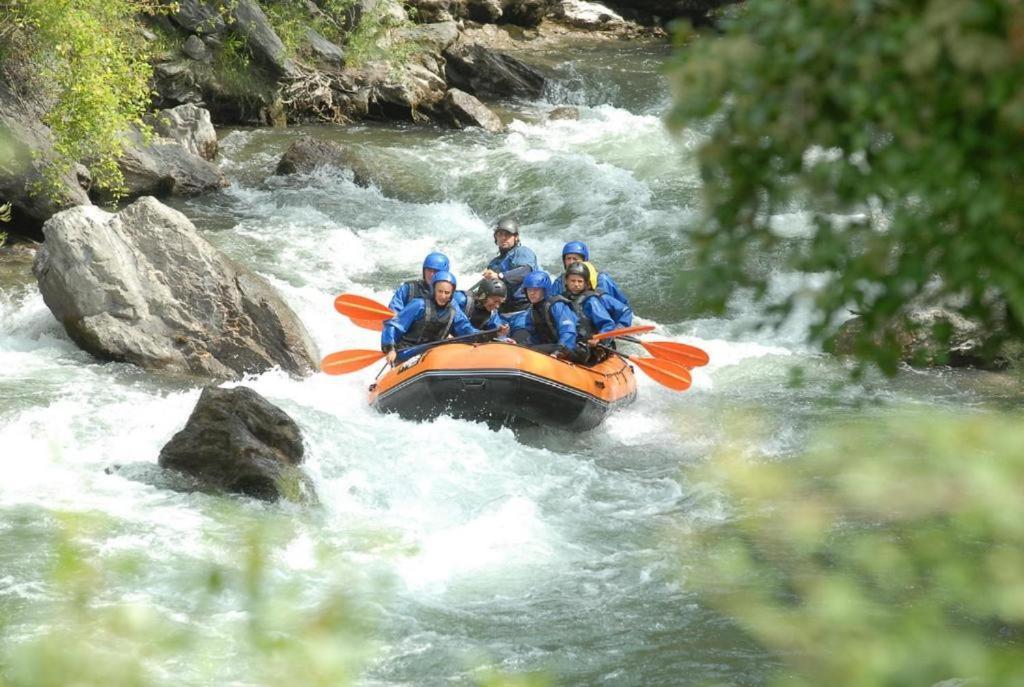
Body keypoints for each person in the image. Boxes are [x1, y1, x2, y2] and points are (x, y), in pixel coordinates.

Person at [381, 271, 504, 365]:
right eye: (440, 291)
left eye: (447, 293)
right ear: (433, 290)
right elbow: (394, 325)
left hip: (433, 356)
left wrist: (493, 334)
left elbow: (467, 331)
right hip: (406, 353)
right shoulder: (418, 305)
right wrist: (390, 348)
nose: (443, 296)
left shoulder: (454, 311)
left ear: (452, 294)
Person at [481, 217, 539, 343]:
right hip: (501, 315)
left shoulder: (522, 252)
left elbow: (525, 271)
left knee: (521, 341)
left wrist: (500, 276)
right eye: (500, 235)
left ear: (516, 237)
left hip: (523, 312)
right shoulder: (494, 263)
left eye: (507, 235)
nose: (503, 238)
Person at [522, 271, 590, 364]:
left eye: (536, 290)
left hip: (575, 348)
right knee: (528, 349)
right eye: (529, 290)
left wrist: (559, 351)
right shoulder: (532, 311)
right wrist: (520, 346)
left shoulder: (557, 305)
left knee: (534, 350)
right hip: (553, 346)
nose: (532, 293)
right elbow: (533, 337)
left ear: (544, 290)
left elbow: (568, 331)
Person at [549, 241, 630, 307]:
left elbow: (622, 304)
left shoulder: (602, 279)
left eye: (575, 259)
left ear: (584, 261)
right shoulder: (560, 282)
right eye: (568, 259)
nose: (571, 262)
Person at [563, 262, 633, 332]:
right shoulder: (563, 298)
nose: (576, 284)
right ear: (566, 281)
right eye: (573, 281)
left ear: (586, 283)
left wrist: (619, 328)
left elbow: (623, 312)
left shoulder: (593, 300)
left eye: (580, 281)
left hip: (602, 333)